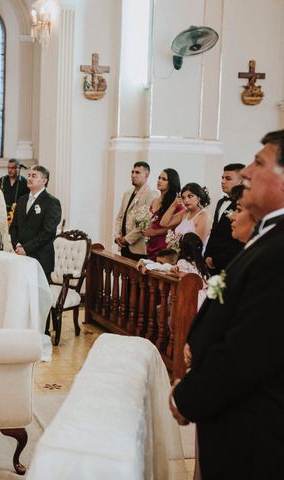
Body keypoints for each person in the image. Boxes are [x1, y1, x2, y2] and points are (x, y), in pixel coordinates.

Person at [170, 129, 284, 479]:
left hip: (255, 433)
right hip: (237, 419)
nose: (247, 171)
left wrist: (187, 396)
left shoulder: (280, 250)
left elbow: (250, 350)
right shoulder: (270, 237)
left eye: (260, 162)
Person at [9, 165, 62, 280]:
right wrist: (17, 245)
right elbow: (13, 227)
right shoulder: (22, 200)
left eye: (34, 176)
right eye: (28, 175)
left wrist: (26, 249)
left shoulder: (52, 202)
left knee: (38, 297)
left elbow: (48, 232)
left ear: (44, 180)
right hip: (20, 257)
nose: (29, 178)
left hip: (40, 259)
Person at [203, 163, 245, 274]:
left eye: (228, 178)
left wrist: (217, 260)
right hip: (211, 260)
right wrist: (207, 254)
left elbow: (239, 241)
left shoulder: (243, 205)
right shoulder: (220, 202)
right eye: (222, 178)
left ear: (241, 181)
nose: (223, 181)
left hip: (229, 262)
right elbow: (214, 230)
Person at [114, 161, 160, 260]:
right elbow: (120, 216)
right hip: (123, 245)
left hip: (138, 247)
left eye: (138, 172)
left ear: (146, 175)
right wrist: (117, 236)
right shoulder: (127, 193)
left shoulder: (151, 194)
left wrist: (127, 239)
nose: (133, 175)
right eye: (132, 172)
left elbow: (146, 223)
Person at [143, 168, 182, 260]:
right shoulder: (155, 200)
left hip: (164, 244)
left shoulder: (175, 203)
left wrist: (155, 232)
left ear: (172, 182)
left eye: (164, 179)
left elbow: (175, 225)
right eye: (159, 178)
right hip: (151, 243)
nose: (159, 181)